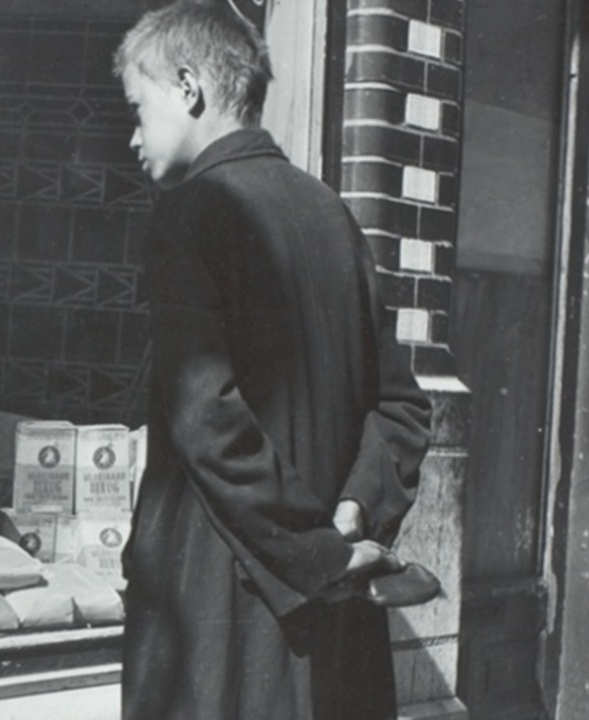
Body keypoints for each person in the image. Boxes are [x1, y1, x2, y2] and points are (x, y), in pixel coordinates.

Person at [113, 3, 432, 719]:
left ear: (188, 87)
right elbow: (405, 404)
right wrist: (354, 513)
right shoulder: (334, 214)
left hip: (221, 609)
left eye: (138, 107)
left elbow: (205, 415)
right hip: (333, 619)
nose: (133, 137)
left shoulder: (190, 213)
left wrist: (312, 551)